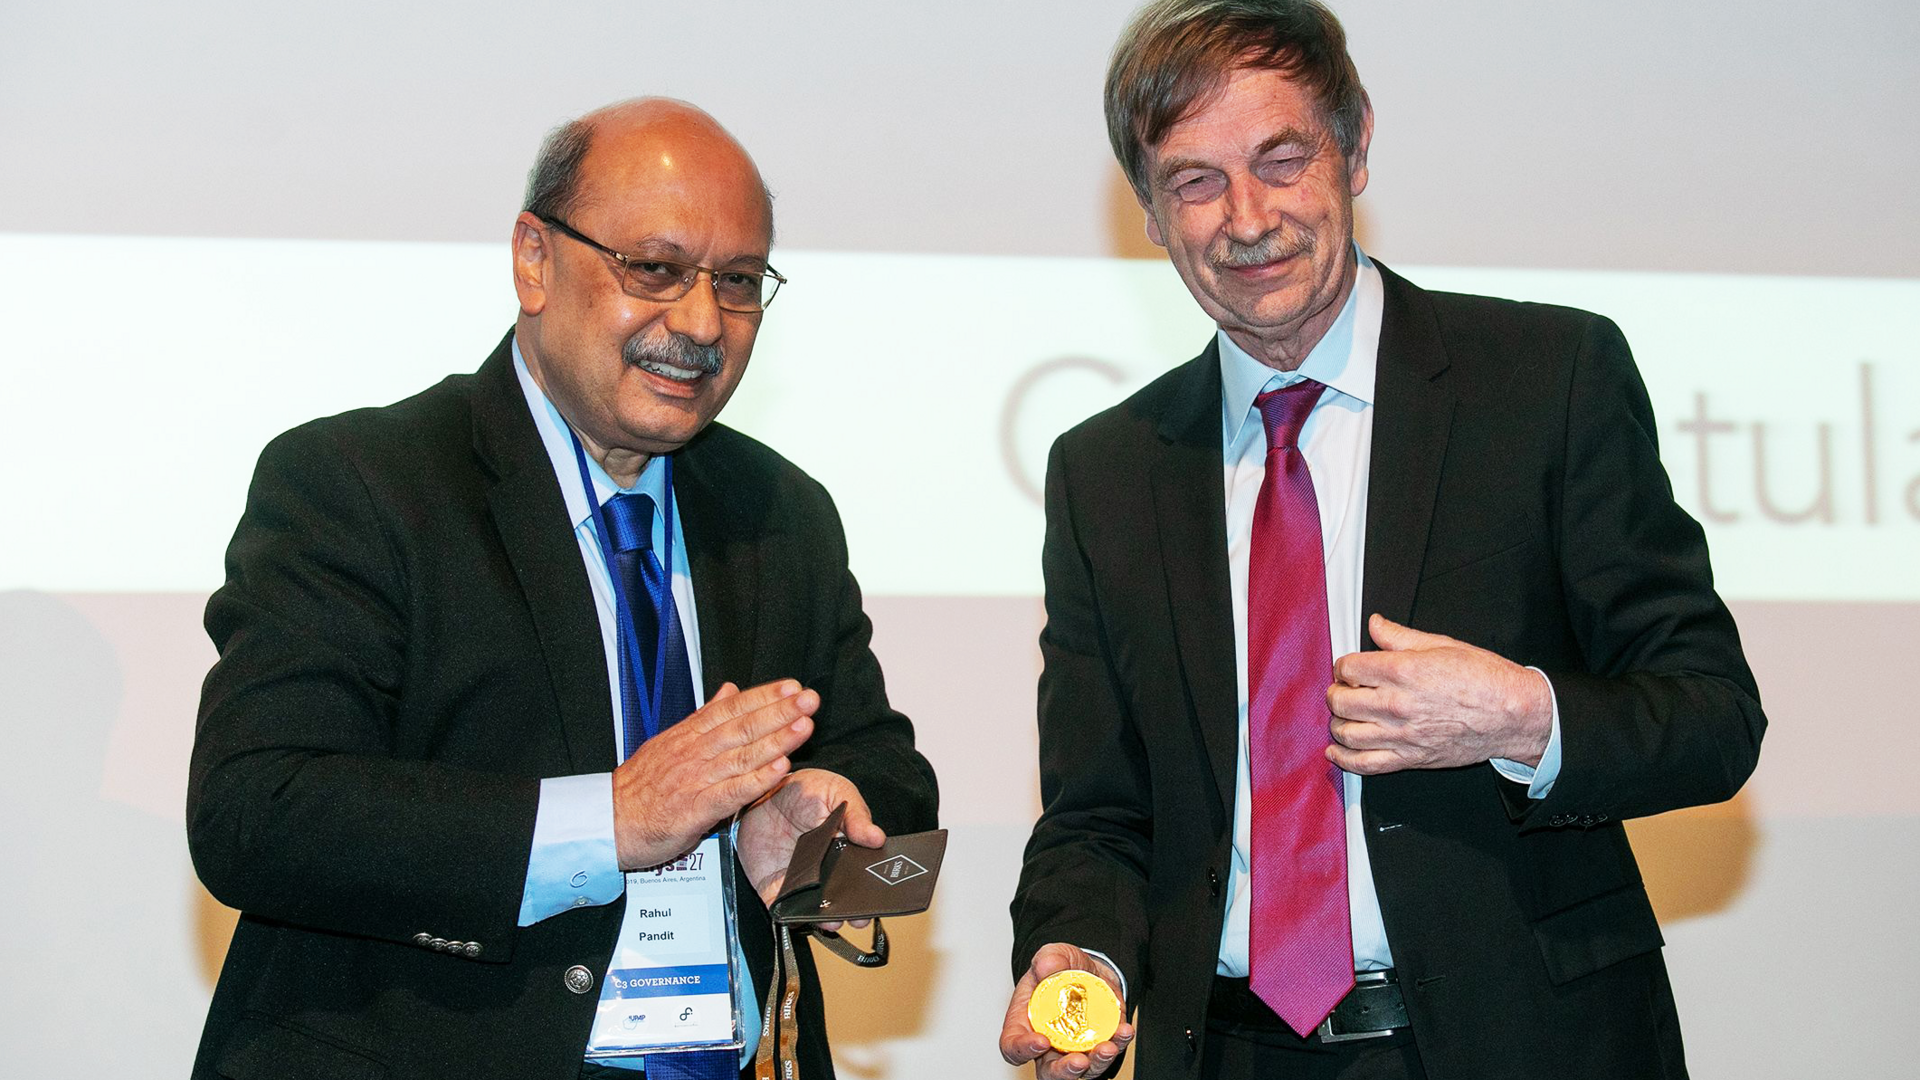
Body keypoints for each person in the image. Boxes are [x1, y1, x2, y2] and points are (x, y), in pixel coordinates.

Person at [1000, 3, 1764, 1078]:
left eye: (1281, 158)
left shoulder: (1548, 381)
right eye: (1195, 181)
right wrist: (1081, 953)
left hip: (1525, 1047)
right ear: (1149, 212)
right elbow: (1098, 812)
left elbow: (1714, 717)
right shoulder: (1107, 472)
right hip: (1231, 1055)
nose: (1246, 217)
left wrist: (1521, 716)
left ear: (1355, 146)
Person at [187, 98, 938, 1080]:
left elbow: (891, 784)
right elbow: (258, 813)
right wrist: (612, 819)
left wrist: (818, 827)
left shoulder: (778, 513)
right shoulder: (363, 484)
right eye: (655, 270)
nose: (703, 322)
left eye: (741, 282)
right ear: (534, 260)